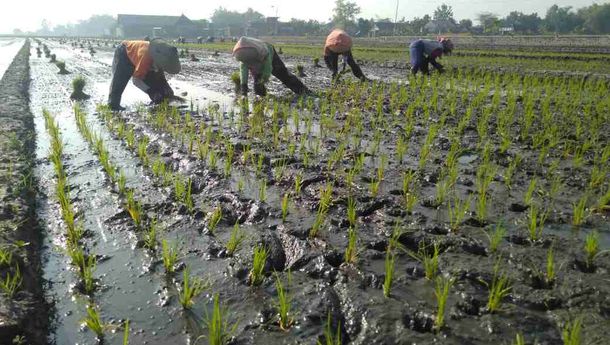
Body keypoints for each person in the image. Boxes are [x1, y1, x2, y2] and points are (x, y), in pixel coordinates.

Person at [107, 39, 181, 111]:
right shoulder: (145, 59)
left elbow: (160, 77)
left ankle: (160, 100)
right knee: (119, 81)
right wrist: (150, 91)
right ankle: (113, 106)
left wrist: (168, 92)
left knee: (156, 81)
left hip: (142, 56)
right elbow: (136, 80)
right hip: (124, 52)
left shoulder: (161, 56)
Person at [232, 36, 311, 97]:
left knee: (282, 73)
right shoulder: (242, 56)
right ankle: (261, 97)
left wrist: (264, 79)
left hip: (270, 53)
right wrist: (244, 89)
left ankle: (303, 91)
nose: (251, 64)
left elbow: (268, 68)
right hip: (256, 56)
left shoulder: (264, 52)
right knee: (257, 81)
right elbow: (243, 72)